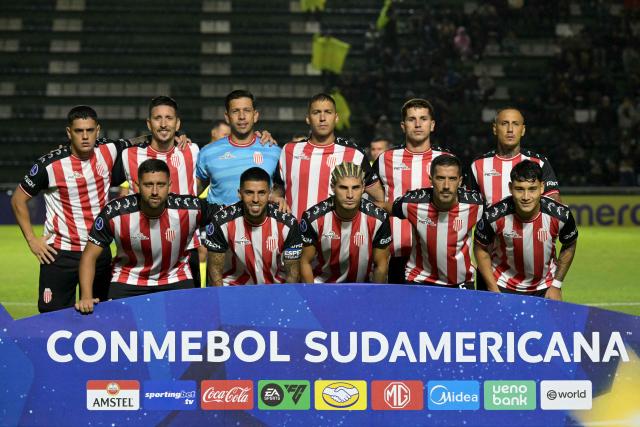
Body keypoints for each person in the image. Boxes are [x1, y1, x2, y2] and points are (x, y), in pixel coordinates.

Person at [10, 106, 134, 312]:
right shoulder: (50, 165)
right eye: (79, 131)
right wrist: (32, 240)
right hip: (60, 255)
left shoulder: (109, 150)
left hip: (98, 251)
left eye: (90, 130)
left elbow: (143, 140)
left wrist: (176, 136)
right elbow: (18, 199)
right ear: (69, 132)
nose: (85, 136)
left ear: (98, 130)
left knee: (100, 317)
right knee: (53, 319)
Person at [75, 159, 220, 313]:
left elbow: (229, 217)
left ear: (170, 185)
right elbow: (89, 256)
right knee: (121, 331)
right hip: (128, 279)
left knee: (185, 328)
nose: (155, 191)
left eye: (161, 185)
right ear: (137, 186)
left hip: (176, 278)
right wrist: (85, 296)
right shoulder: (115, 213)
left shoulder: (191, 208)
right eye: (148, 185)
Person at [117, 96, 204, 286]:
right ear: (149, 124)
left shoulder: (192, 151)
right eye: (158, 118)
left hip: (185, 251)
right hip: (142, 249)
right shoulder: (128, 155)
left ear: (177, 123)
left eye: (169, 118)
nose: (164, 124)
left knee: (189, 313)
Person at [372, 98, 454, 284]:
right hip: (395, 252)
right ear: (403, 125)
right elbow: (373, 202)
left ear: (432, 125)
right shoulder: (386, 159)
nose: (418, 124)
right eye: (411, 119)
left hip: (435, 253)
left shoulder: (446, 160)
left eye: (423, 119)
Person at [473, 160, 578, 300]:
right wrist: (493, 288)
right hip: (503, 286)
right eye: (520, 189)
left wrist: (556, 285)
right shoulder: (494, 215)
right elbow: (480, 247)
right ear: (510, 188)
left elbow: (570, 244)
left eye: (532, 189)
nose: (526, 197)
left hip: (545, 287)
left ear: (542, 187)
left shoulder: (561, 215)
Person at [274, 93, 386, 220]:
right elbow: (278, 189)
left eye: (328, 112)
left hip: (338, 237)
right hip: (297, 235)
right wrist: (276, 197)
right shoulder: (289, 150)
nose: (322, 118)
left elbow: (380, 198)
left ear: (336, 118)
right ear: (307, 118)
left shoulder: (354, 154)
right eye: (316, 112)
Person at [392, 155, 483, 288]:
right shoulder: (412, 202)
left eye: (452, 179)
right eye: (440, 178)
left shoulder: (476, 205)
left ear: (460, 181)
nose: (446, 186)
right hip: (419, 279)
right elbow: (385, 208)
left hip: (461, 282)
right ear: (431, 179)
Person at [206, 167, 302, 286]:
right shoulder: (221, 222)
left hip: (274, 291)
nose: (255, 199)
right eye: (249, 192)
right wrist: (223, 302)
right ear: (239, 193)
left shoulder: (288, 224)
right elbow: (214, 273)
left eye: (261, 193)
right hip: (235, 291)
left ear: (269, 194)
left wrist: (285, 301)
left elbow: (293, 275)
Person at [299, 162, 391, 283]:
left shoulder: (379, 218)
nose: (350, 195)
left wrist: (374, 299)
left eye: (355, 187)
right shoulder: (313, 218)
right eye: (343, 187)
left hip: (362, 290)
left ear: (363, 187)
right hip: (323, 289)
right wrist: (312, 298)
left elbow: (381, 266)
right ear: (333, 187)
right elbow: (304, 262)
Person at [196, 90, 282, 207]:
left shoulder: (274, 151)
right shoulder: (208, 153)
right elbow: (193, 191)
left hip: (259, 224)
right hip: (219, 224)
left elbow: (282, 188)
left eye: (246, 110)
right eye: (235, 111)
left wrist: (277, 196)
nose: (241, 116)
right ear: (227, 117)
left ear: (255, 115)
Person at [469, 107, 561, 206]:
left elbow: (554, 203)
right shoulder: (478, 164)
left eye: (515, 124)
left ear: (523, 130)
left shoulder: (540, 162)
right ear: (495, 129)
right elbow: (469, 205)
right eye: (504, 123)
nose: (510, 129)